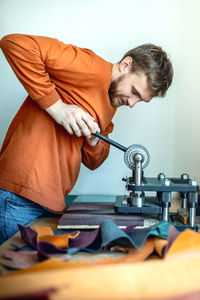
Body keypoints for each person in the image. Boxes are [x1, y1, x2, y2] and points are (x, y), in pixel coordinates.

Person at [0, 34, 173, 244]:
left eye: (140, 100)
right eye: (134, 92)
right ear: (126, 64)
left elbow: (94, 161)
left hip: (49, 202)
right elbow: (14, 44)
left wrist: (93, 141)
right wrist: (57, 108)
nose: (131, 103)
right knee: (10, 275)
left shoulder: (112, 102)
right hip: (19, 196)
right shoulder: (90, 67)